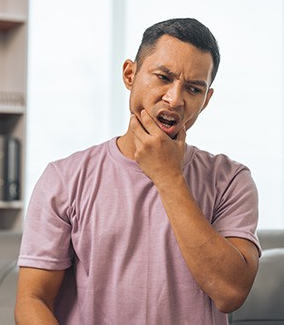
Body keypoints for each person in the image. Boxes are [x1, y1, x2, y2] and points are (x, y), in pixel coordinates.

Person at [15, 18, 261, 325]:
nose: (174, 99)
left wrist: (168, 176)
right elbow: (32, 300)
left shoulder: (232, 180)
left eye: (194, 89)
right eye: (163, 77)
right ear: (130, 74)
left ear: (206, 100)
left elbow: (230, 292)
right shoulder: (64, 178)